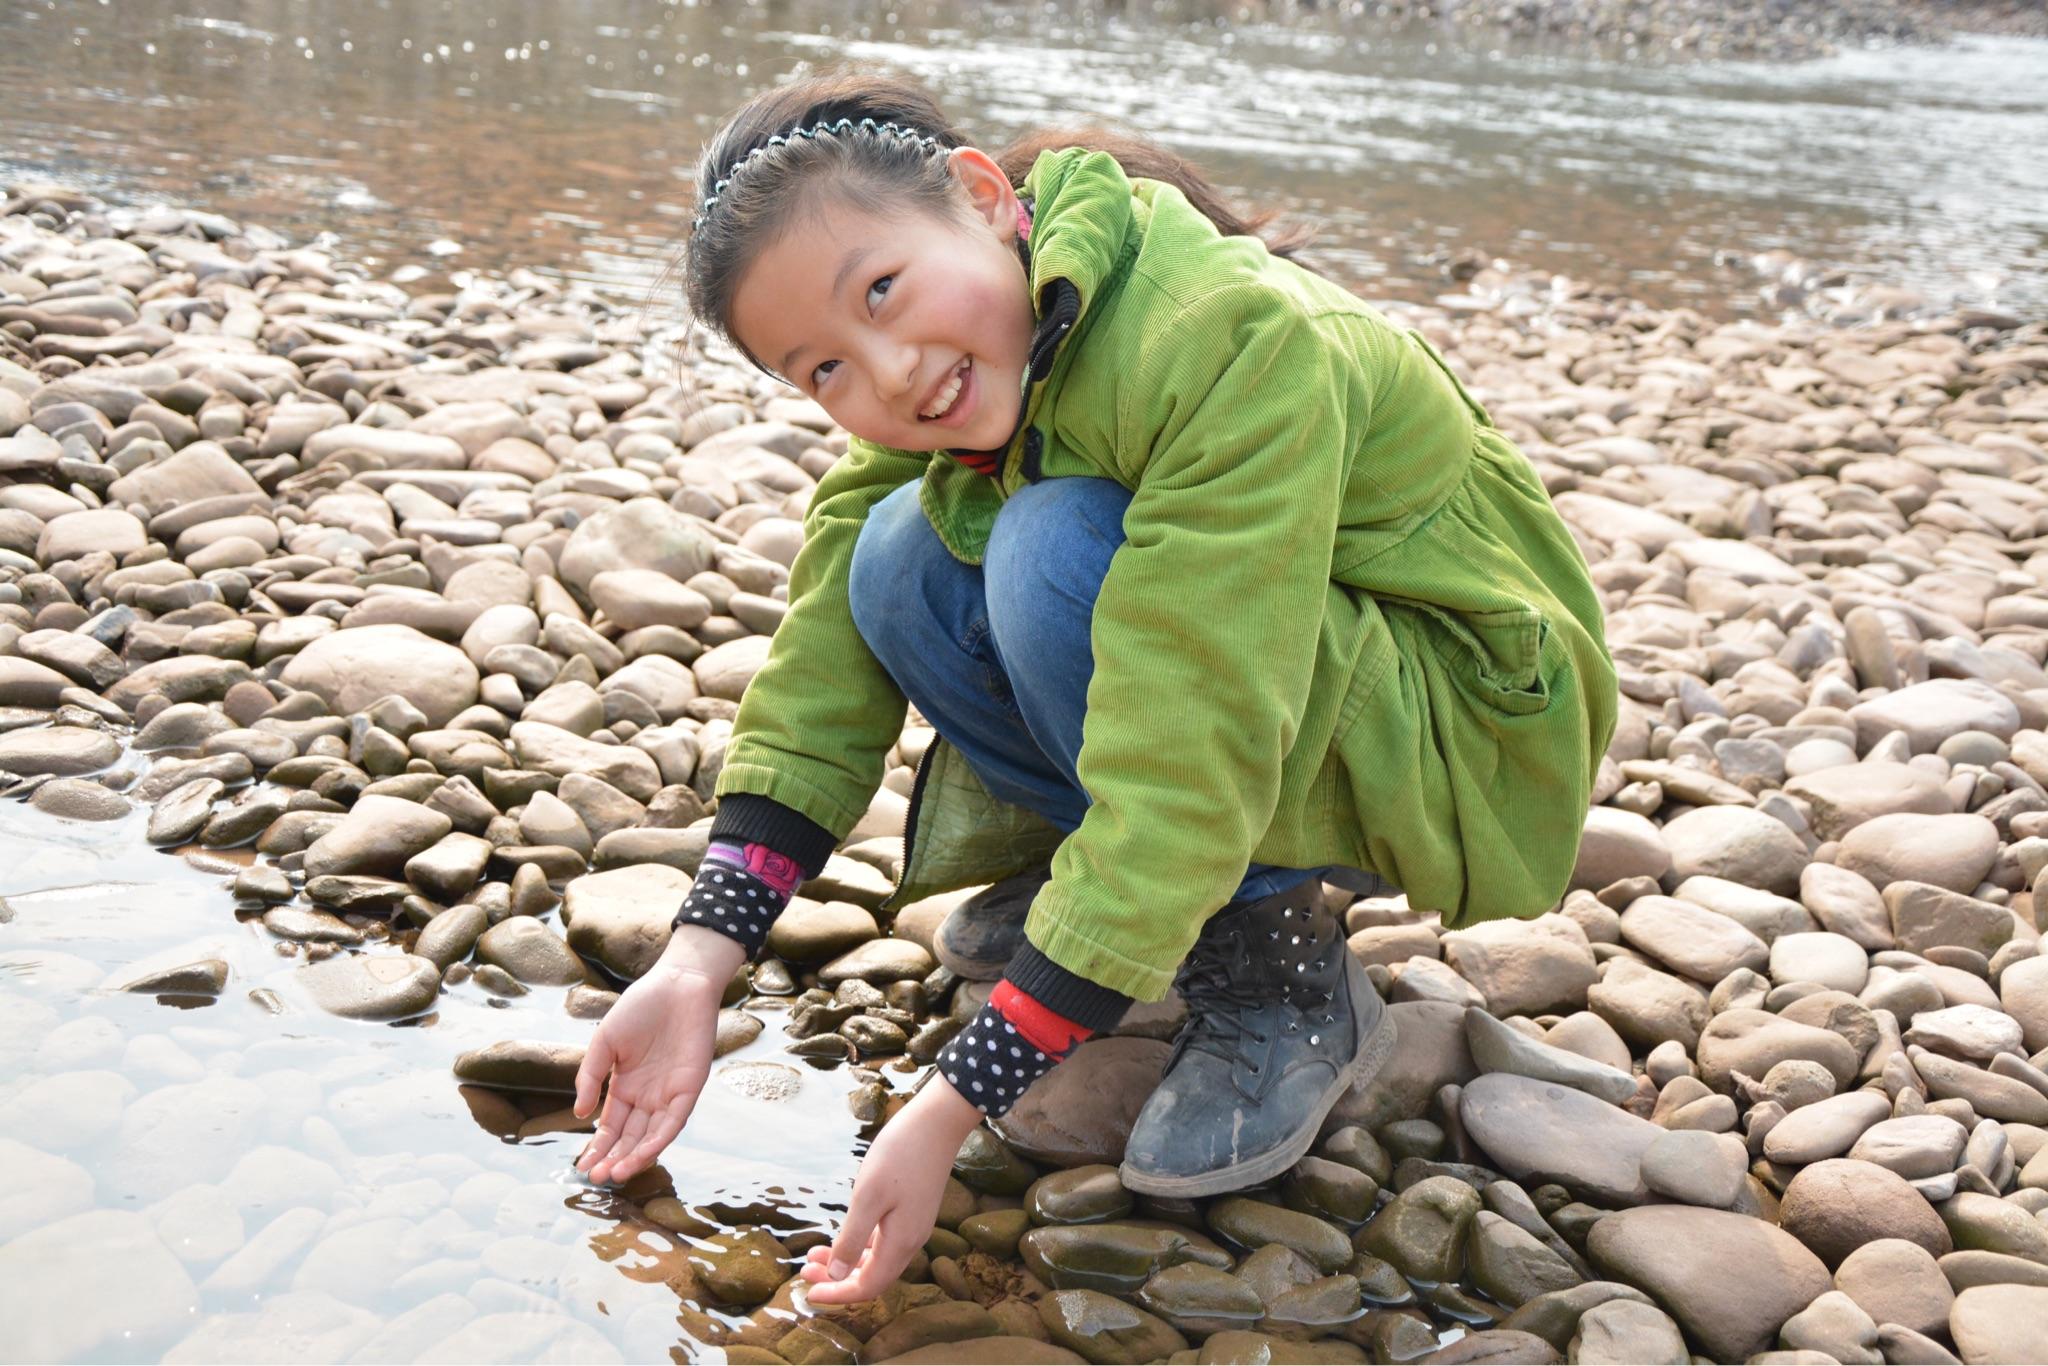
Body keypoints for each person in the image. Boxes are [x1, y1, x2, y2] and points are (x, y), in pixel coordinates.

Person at [571, 71, 1618, 1304]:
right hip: (1270, 682)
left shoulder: (1225, 338)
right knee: (893, 556)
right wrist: (697, 960)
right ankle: (1120, 902)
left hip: (1459, 719)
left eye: (882, 290)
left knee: (1051, 549)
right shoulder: (976, 345)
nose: (889, 373)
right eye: (824, 367)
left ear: (979, 197)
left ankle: (1272, 958)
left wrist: (956, 1100)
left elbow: (1195, 724)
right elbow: (823, 658)